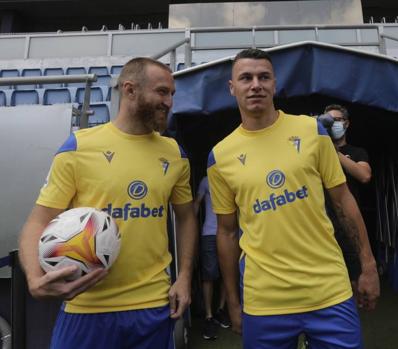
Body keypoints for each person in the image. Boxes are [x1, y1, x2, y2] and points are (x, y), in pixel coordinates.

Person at [18, 57, 198, 349]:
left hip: (152, 305)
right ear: (130, 90)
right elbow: (38, 220)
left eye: (172, 95)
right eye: (162, 92)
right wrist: (35, 279)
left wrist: (184, 276)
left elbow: (186, 217)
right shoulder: (78, 147)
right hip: (86, 307)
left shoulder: (174, 153)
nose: (169, 102)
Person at [207, 48, 379, 349]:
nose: (255, 84)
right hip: (265, 299)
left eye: (264, 77)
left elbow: (343, 201)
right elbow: (226, 231)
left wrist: (368, 266)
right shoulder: (220, 156)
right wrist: (233, 301)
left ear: (275, 84)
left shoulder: (311, 130)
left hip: (328, 289)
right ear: (232, 88)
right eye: (245, 78)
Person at [321, 104, 372, 284]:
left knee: (354, 278)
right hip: (322, 226)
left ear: (347, 123)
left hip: (349, 224)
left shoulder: (357, 152)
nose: (333, 124)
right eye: (328, 121)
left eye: (337, 120)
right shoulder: (316, 152)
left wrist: (333, 152)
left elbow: (364, 175)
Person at [194, 175, 231, 340]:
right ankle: (208, 317)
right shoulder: (205, 180)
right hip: (209, 233)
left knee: (227, 273)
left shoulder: (231, 175)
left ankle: (221, 310)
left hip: (229, 233)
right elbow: (196, 203)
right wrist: (189, 228)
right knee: (209, 275)